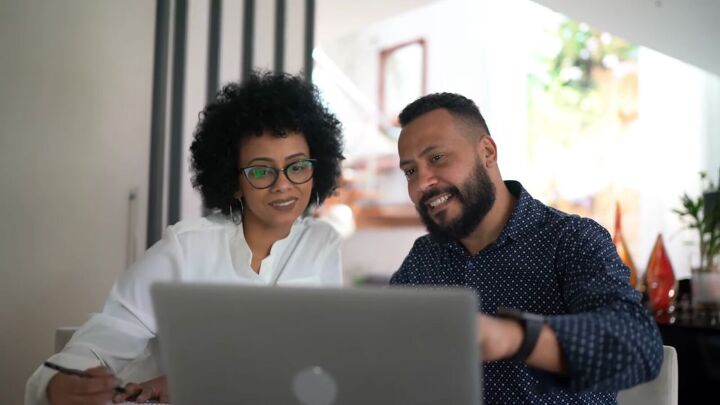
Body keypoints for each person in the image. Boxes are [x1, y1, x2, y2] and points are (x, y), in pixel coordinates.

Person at [26, 71, 345, 405]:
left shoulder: (322, 243)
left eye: (297, 166)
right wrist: (53, 385)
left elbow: (311, 358)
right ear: (234, 182)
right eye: (261, 171)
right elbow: (109, 333)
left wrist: (193, 380)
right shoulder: (187, 248)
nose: (283, 185)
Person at [390, 92, 663, 404]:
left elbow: (640, 346)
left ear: (487, 152)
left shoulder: (572, 239)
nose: (422, 182)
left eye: (437, 158)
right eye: (410, 171)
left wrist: (512, 336)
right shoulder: (424, 258)